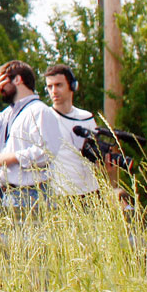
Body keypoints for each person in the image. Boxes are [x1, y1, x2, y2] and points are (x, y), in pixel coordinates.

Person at [0, 60, 65, 207]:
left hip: (33, 194)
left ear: (17, 79)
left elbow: (47, 152)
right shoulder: (7, 114)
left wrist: (11, 157)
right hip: (9, 194)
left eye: (1, 82)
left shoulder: (39, 111)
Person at [42, 63, 99, 198]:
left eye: (59, 85)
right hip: (61, 193)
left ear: (72, 86)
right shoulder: (44, 118)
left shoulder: (86, 117)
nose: (54, 91)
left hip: (90, 191)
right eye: (50, 87)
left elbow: (97, 154)